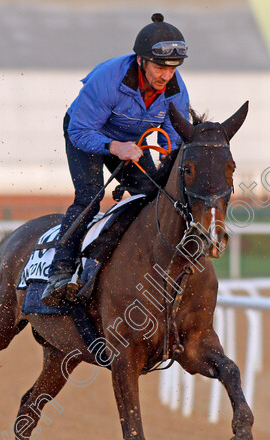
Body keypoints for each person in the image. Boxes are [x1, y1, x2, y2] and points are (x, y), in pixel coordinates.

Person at [41, 13, 191, 307]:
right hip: (87, 133)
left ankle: (123, 263)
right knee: (90, 197)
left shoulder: (176, 89)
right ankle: (59, 273)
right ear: (140, 61)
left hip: (130, 142)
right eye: (160, 67)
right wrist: (114, 146)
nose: (166, 76)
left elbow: (173, 139)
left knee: (151, 196)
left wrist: (169, 167)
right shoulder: (108, 79)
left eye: (172, 70)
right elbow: (79, 131)